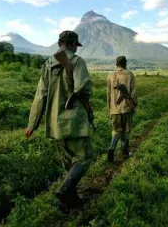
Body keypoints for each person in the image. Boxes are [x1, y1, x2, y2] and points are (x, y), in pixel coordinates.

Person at [25, 30, 93, 207]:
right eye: (75, 46)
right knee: (84, 159)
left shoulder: (48, 65)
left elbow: (40, 96)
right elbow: (83, 89)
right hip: (75, 122)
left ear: (59, 43)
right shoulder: (77, 62)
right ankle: (64, 190)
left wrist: (32, 124)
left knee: (69, 163)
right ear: (72, 44)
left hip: (55, 124)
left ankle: (71, 200)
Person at [106, 56, 138, 162]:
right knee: (126, 130)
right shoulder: (130, 75)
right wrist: (134, 105)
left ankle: (111, 148)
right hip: (126, 108)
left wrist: (110, 109)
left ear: (116, 64)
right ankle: (125, 152)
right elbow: (133, 94)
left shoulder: (110, 76)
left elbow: (108, 95)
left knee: (116, 130)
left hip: (114, 110)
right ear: (125, 64)